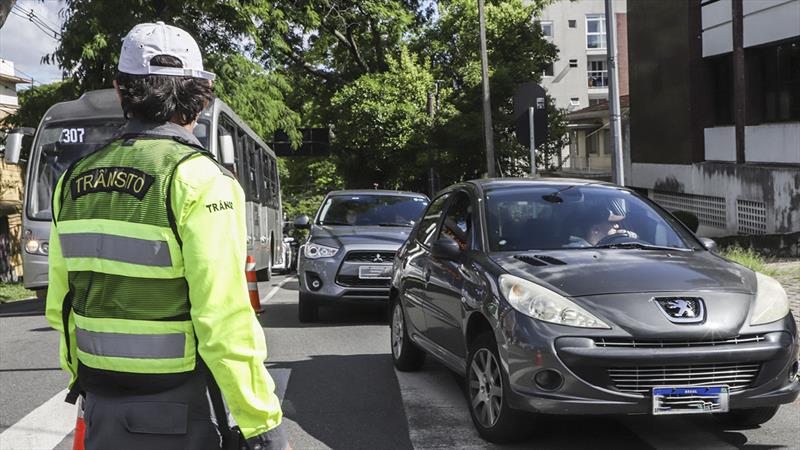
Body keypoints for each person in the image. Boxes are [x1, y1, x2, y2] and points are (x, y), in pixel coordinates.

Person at [45, 22, 288, 450]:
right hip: (180, 413)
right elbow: (224, 317)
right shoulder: (200, 179)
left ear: (121, 91)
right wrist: (263, 425)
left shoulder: (73, 180)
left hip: (101, 406)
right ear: (201, 95)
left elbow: (62, 303)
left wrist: (85, 385)